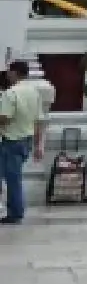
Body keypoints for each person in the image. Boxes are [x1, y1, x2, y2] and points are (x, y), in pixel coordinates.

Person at [0, 59, 46, 226]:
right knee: (14, 177)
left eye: (9, 71)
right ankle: (14, 210)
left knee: (12, 179)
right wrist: (38, 145)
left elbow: (4, 118)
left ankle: (15, 213)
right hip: (26, 140)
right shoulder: (34, 93)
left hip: (11, 141)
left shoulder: (11, 93)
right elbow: (39, 120)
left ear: (14, 73)